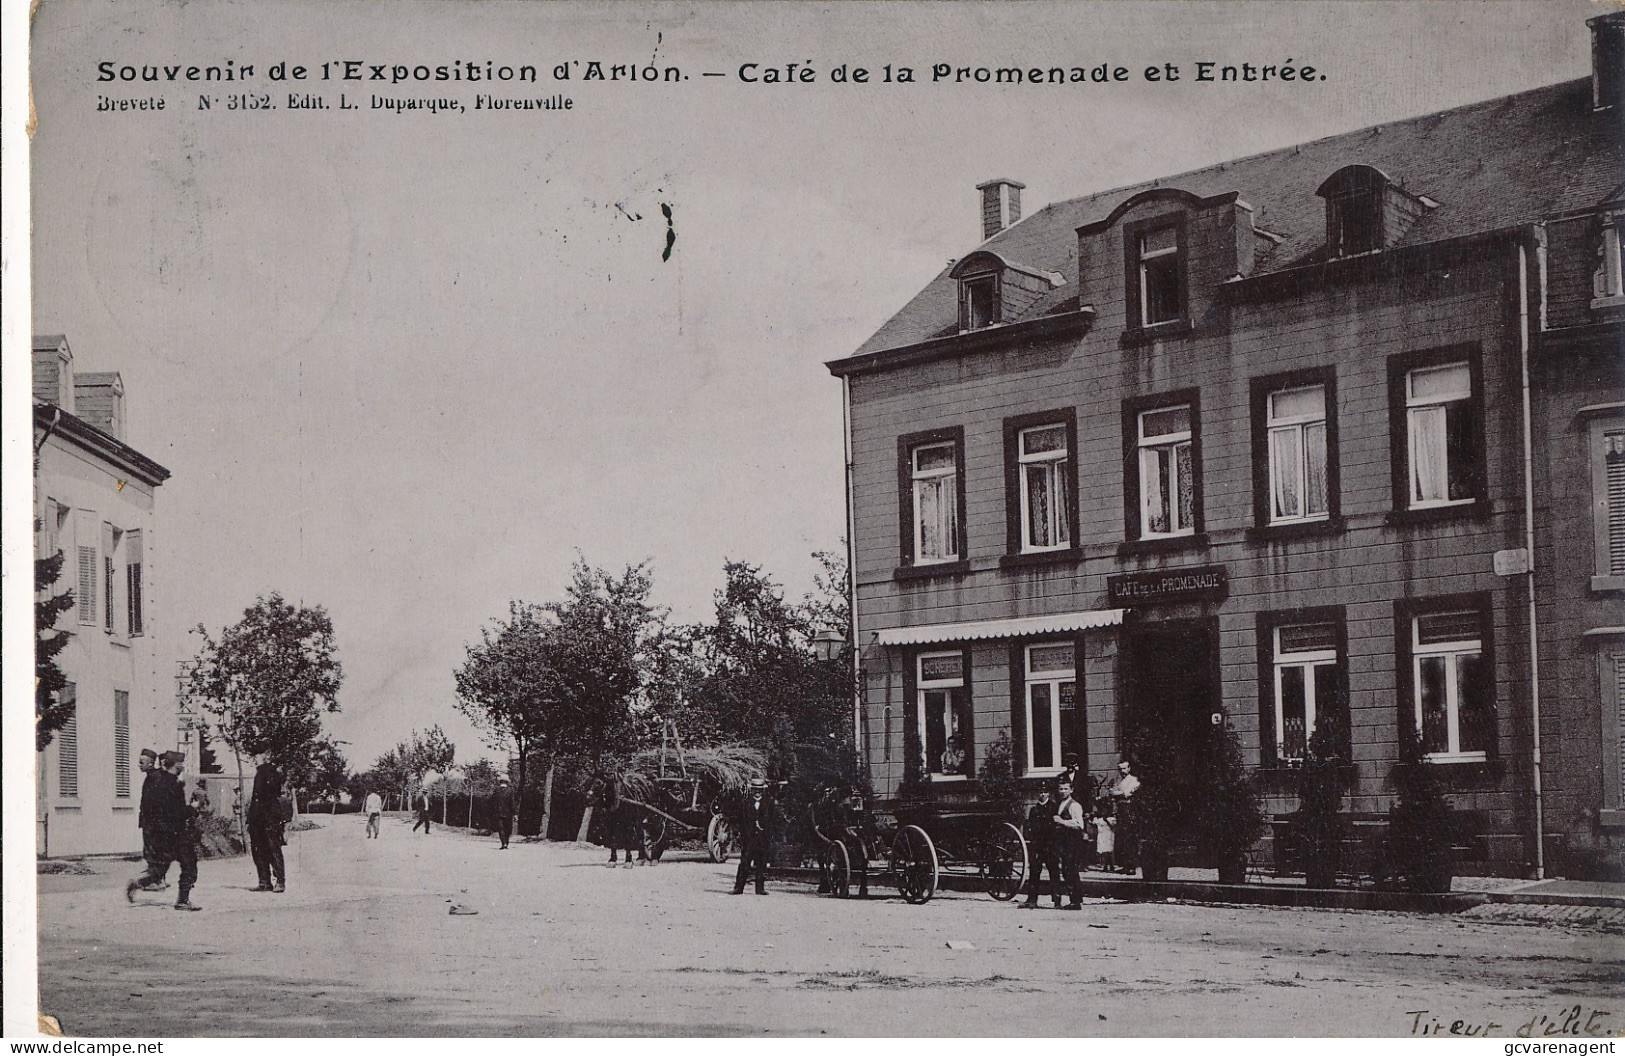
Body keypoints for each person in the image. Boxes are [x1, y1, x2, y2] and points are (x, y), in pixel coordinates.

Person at [126, 751, 200, 910]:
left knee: (161, 868)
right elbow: (178, 813)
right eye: (181, 763)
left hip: (162, 834)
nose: (183, 766)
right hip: (176, 833)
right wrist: (193, 808)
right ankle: (183, 900)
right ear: (176, 764)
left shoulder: (157, 781)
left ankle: (138, 883)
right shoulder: (174, 784)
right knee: (190, 865)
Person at [247, 756, 287, 893]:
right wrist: (251, 818)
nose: (254, 758)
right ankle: (264, 882)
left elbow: (273, 795)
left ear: (265, 756)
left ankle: (280, 882)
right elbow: (255, 798)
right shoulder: (259, 773)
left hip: (269, 817)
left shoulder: (271, 772)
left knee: (272, 848)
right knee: (258, 850)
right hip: (257, 818)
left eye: (257, 755)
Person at [731, 777, 776, 895]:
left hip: (763, 838)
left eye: (760, 790)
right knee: (745, 862)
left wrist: (767, 831)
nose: (757, 792)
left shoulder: (769, 802)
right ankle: (738, 887)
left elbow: (773, 820)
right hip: (749, 838)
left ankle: (760, 888)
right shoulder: (745, 802)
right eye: (755, 790)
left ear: (763, 791)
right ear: (752, 790)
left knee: (762, 863)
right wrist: (743, 832)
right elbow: (739, 819)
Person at [1020, 785, 1061, 908]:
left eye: (1045, 792)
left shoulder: (1054, 807)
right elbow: (1029, 827)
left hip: (1050, 844)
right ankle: (1032, 900)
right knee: (1034, 871)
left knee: (1054, 871)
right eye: (1040, 792)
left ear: (1049, 794)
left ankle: (1057, 900)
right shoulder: (1034, 810)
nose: (1043, 794)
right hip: (1037, 845)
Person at [133, 749, 167, 893]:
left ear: (151, 763)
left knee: (151, 851)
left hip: (153, 823)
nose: (139, 765)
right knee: (155, 851)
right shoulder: (153, 776)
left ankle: (157, 881)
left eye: (142, 762)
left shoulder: (154, 778)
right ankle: (160, 879)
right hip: (153, 822)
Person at [1052, 778, 1088, 909]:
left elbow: (1079, 824)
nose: (1063, 791)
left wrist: (1062, 822)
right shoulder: (1060, 804)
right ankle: (1074, 899)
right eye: (1061, 789)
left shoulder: (1074, 805)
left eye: (1066, 789)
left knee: (1071, 870)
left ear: (1071, 790)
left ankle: (1075, 901)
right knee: (1067, 870)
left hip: (1072, 842)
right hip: (1063, 842)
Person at [1110, 758, 1141, 874]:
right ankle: (1125, 864)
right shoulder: (1117, 780)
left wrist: (1118, 793)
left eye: (1124, 768)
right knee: (1122, 839)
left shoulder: (1134, 780)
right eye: (1120, 768)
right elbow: (1112, 793)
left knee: (1130, 838)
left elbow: (1128, 793)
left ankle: (1132, 865)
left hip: (1129, 810)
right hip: (1120, 811)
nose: (1122, 771)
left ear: (1129, 768)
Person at [1093, 796, 1117, 872]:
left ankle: (1111, 866)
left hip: (1108, 835)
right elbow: (1094, 824)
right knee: (1104, 851)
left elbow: (1112, 825)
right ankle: (1106, 866)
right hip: (1101, 836)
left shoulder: (1111, 819)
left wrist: (1106, 820)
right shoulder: (1098, 819)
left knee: (1109, 851)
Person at [491, 776, 514, 849]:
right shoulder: (510, 791)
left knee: (501, 829)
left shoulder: (496, 790)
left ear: (500, 782)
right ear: (507, 782)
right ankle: (506, 843)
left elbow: (492, 802)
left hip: (498, 812)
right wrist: (515, 813)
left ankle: (503, 843)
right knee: (507, 829)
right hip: (508, 813)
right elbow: (512, 803)